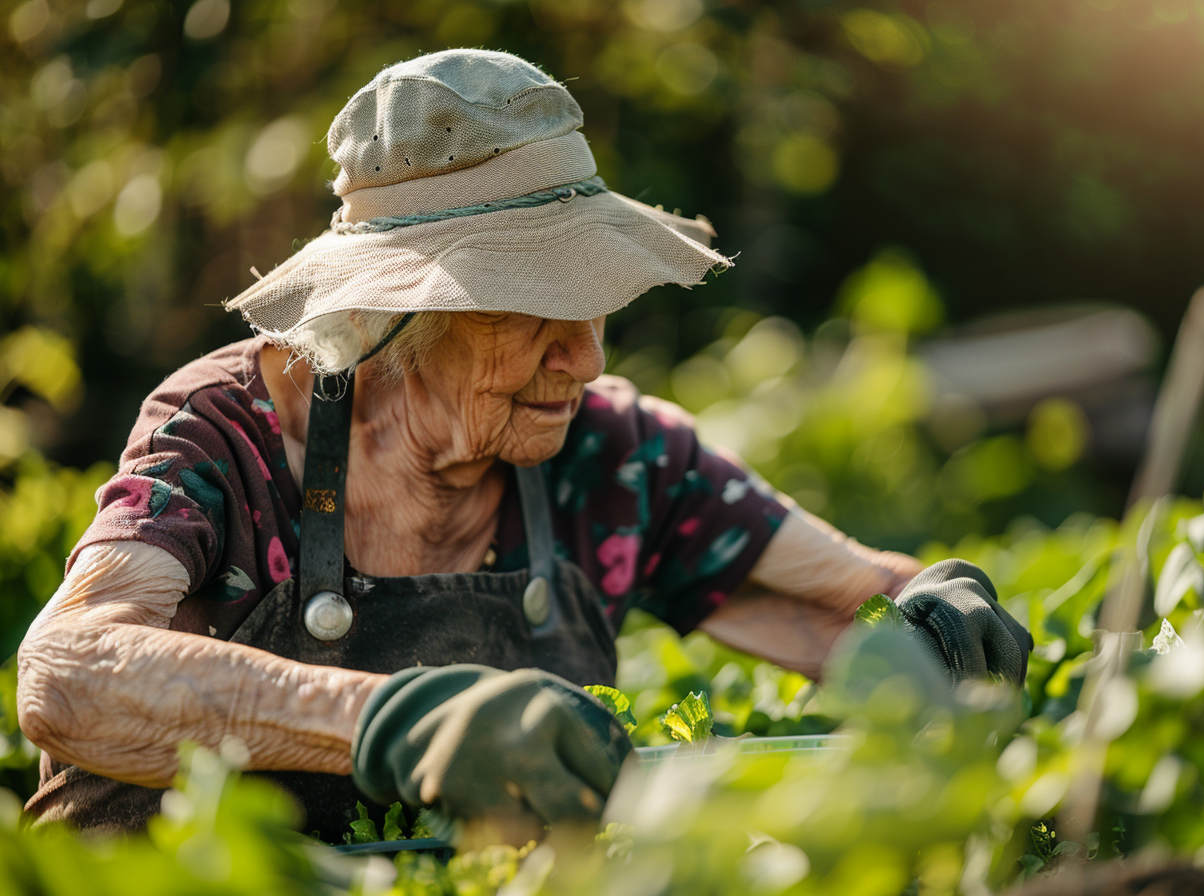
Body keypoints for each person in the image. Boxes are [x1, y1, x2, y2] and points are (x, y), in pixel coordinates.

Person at [16, 50, 1032, 842]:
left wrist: (933, 609)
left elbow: (834, 603)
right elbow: (66, 672)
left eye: (595, 305)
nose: (586, 356)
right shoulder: (227, 434)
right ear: (395, 313)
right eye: (540, 306)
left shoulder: (615, 456)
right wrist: (388, 720)